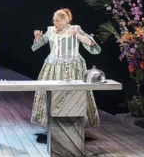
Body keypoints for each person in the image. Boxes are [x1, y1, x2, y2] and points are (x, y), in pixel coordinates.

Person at [31, 8, 101, 142]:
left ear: (65, 21)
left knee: (72, 94)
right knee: (51, 94)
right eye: (54, 20)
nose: (54, 23)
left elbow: (91, 43)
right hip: (52, 66)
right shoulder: (51, 30)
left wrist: (77, 35)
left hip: (72, 67)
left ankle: (74, 124)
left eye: (57, 20)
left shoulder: (74, 29)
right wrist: (38, 37)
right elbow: (40, 44)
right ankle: (52, 123)